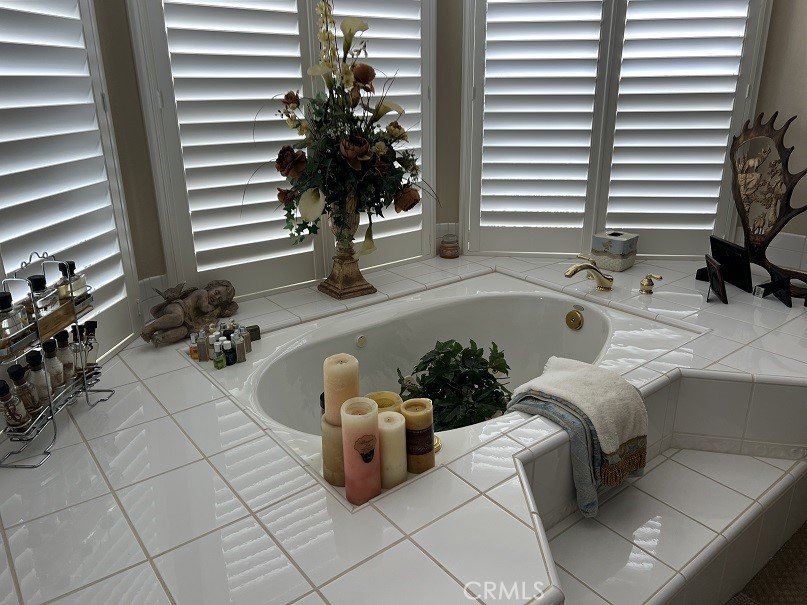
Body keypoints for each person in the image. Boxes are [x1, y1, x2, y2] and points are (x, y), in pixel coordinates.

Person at [140, 280, 238, 346]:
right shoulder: (202, 293)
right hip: (178, 307)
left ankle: (159, 338)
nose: (216, 298)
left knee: (183, 331)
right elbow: (204, 308)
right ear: (211, 287)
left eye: (220, 300)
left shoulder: (211, 306)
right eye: (216, 293)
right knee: (178, 318)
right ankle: (151, 328)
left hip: (186, 320)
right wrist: (216, 308)